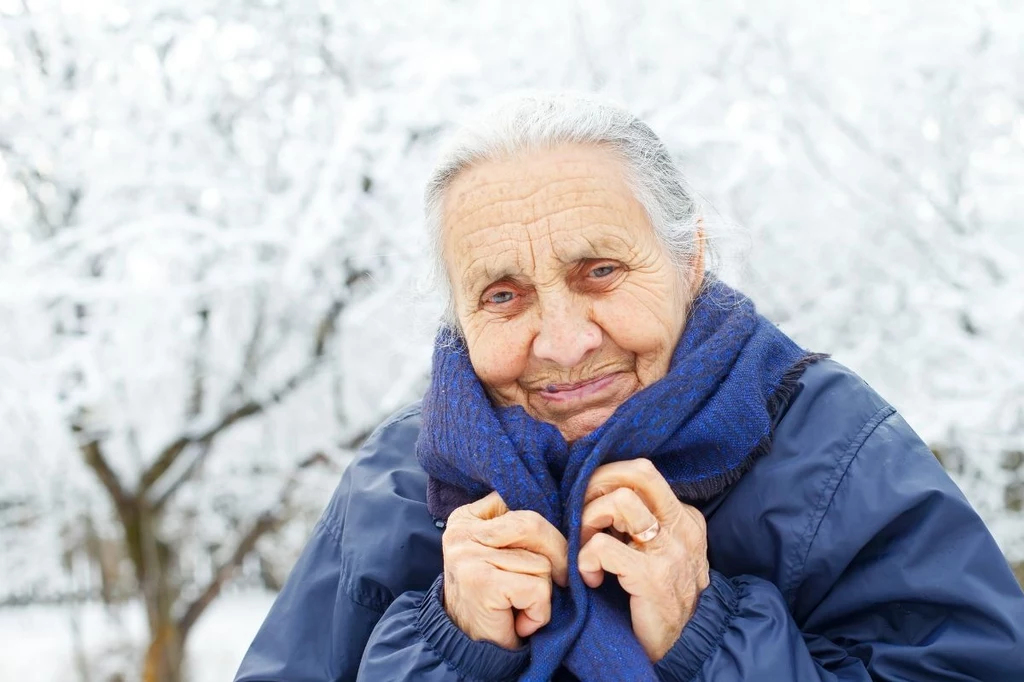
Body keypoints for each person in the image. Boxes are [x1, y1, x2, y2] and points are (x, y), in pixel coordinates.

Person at [234, 93, 1024, 681]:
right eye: (503, 295)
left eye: (601, 272)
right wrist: (450, 645)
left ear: (690, 261)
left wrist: (708, 634)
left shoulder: (835, 454)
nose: (566, 341)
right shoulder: (395, 484)